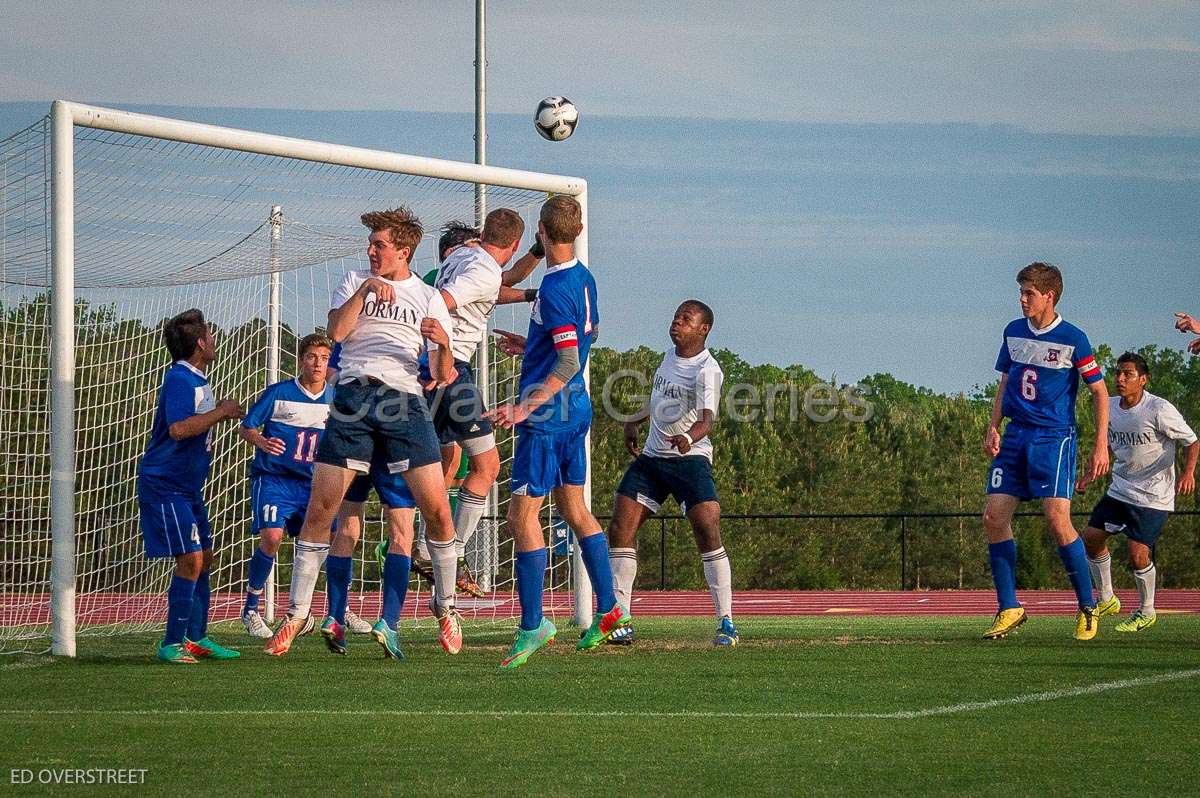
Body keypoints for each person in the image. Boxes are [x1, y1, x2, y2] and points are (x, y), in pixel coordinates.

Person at [263, 206, 462, 657]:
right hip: (353, 402)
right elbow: (335, 332)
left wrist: (444, 344)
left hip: (403, 404)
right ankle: (297, 615)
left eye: (380, 245)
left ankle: (446, 608)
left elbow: (441, 372)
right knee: (322, 511)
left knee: (436, 512)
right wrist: (369, 290)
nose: (371, 251)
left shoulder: (430, 298)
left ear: (403, 251)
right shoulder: (355, 281)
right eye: (371, 244)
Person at [488, 194, 631, 669]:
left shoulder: (552, 289)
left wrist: (524, 407)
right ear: (580, 228)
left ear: (543, 234)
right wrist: (530, 344)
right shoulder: (584, 278)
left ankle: (533, 625)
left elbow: (569, 359)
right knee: (574, 509)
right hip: (577, 412)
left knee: (519, 518)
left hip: (549, 419)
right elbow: (580, 338)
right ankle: (610, 611)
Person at [408, 220, 542, 592]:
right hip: (451, 371)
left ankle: (425, 549)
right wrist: (440, 359)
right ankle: (448, 550)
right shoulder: (474, 268)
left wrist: (536, 267)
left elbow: (499, 285)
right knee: (486, 465)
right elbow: (447, 301)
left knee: (445, 463)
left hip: (439, 369)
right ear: (513, 243)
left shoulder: (468, 258)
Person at [981, 262, 1109, 641]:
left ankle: (1088, 606)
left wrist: (1100, 445)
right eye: (1020, 293)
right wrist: (993, 425)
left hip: (1054, 437)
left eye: (1029, 294)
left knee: (1057, 520)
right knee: (993, 517)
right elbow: (1006, 383)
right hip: (1016, 436)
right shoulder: (1013, 332)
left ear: (1049, 296)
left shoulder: (1073, 338)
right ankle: (1009, 607)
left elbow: (1100, 392)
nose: (1022, 300)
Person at [607, 300, 737, 646]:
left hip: (690, 460)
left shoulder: (708, 370)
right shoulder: (668, 356)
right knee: (620, 527)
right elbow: (658, 401)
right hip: (652, 459)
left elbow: (708, 419)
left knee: (707, 525)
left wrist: (688, 437)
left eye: (686, 319)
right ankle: (620, 620)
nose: (677, 322)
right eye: (676, 316)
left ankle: (726, 622)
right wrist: (633, 423)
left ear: (703, 329)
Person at [136, 309, 243, 663]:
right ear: (200, 343)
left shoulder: (197, 378)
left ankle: (197, 638)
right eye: (210, 336)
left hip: (188, 487)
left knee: (205, 557)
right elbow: (179, 429)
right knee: (191, 560)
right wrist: (222, 412)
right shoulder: (180, 379)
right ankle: (171, 643)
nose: (214, 341)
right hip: (165, 484)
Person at [238, 333, 354, 638]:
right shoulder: (278, 393)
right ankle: (251, 608)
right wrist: (261, 441)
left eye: (324, 358)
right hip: (275, 480)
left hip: (316, 486)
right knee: (272, 538)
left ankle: (338, 610)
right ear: (301, 360)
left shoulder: (335, 399)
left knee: (333, 541)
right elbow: (247, 426)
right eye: (312, 357)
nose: (317, 364)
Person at [1080, 352, 1198, 631]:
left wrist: (1188, 472)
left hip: (1153, 495)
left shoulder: (1159, 409)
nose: (1120, 379)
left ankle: (1147, 611)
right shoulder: (1108, 407)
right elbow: (1105, 446)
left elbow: (1192, 442)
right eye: (1118, 373)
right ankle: (1107, 598)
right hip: (1121, 488)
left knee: (1137, 555)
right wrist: (1088, 474)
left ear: (1142, 380)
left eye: (1128, 374)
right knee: (1091, 538)